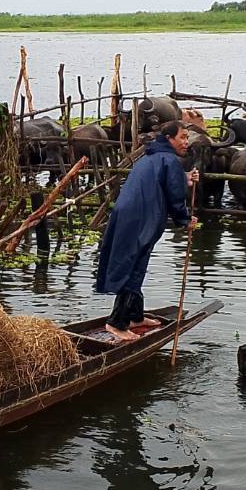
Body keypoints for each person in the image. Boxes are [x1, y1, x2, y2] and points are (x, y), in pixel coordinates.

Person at [94, 120, 199, 340]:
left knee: (136, 264)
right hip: (139, 219)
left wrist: (185, 177)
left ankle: (135, 316)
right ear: (169, 139)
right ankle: (117, 323)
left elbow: (166, 181)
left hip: (132, 216)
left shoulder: (153, 156)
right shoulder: (168, 159)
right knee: (134, 267)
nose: (186, 142)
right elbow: (175, 195)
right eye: (182, 137)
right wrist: (184, 220)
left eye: (187, 138)